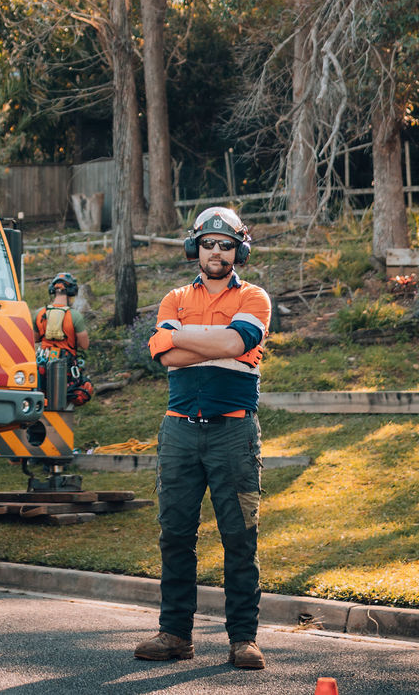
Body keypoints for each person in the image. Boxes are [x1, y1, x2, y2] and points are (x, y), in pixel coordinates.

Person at [134, 206, 270, 671]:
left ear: (239, 249)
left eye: (226, 244)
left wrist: (182, 338)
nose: (216, 251)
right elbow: (165, 356)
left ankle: (243, 639)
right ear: (196, 247)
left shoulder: (255, 297)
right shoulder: (173, 297)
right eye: (209, 243)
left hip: (234, 432)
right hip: (178, 432)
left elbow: (236, 345)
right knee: (174, 535)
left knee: (240, 537)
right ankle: (174, 634)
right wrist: (210, 339)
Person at [37, 273, 93, 407]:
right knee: (83, 389)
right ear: (72, 292)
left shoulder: (40, 313)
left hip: (43, 364)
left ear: (52, 291)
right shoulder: (75, 316)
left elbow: (34, 338)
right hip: (66, 366)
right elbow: (84, 345)